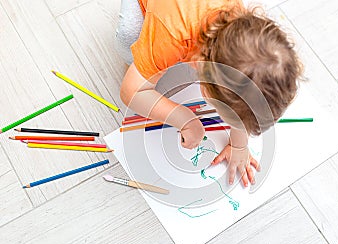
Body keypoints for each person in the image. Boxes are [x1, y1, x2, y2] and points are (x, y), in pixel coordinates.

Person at [115, 0, 303, 187]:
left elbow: (245, 91)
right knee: (128, 35)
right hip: (161, 12)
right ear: (204, 86)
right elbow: (130, 92)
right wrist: (185, 120)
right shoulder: (172, 33)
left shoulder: (244, 31)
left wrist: (239, 144)